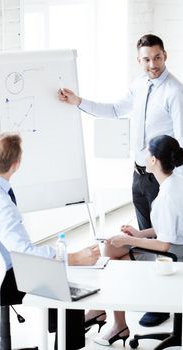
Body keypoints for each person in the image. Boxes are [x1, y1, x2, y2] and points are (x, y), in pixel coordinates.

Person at [58, 33, 183, 327]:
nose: (152, 64)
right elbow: (114, 110)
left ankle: (163, 303)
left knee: (164, 239)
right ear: (138, 60)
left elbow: (181, 140)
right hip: (140, 173)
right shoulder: (139, 86)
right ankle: (146, 296)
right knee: (145, 233)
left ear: (165, 55)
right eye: (146, 59)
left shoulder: (175, 91)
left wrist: (176, 185)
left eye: (157, 57)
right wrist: (78, 102)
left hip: (163, 176)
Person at [0, 132, 100, 350]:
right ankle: (65, 343)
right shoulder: (1, 203)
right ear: (16, 165)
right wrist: (72, 257)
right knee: (64, 288)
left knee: (53, 275)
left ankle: (58, 329)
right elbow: (23, 253)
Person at [92, 134, 183, 346]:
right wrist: (138, 233)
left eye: (147, 153)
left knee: (115, 260)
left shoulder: (168, 194)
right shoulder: (175, 182)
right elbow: (170, 228)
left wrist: (125, 240)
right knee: (112, 250)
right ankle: (112, 320)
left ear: (153, 161)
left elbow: (164, 244)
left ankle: (115, 323)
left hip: (175, 255)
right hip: (177, 245)